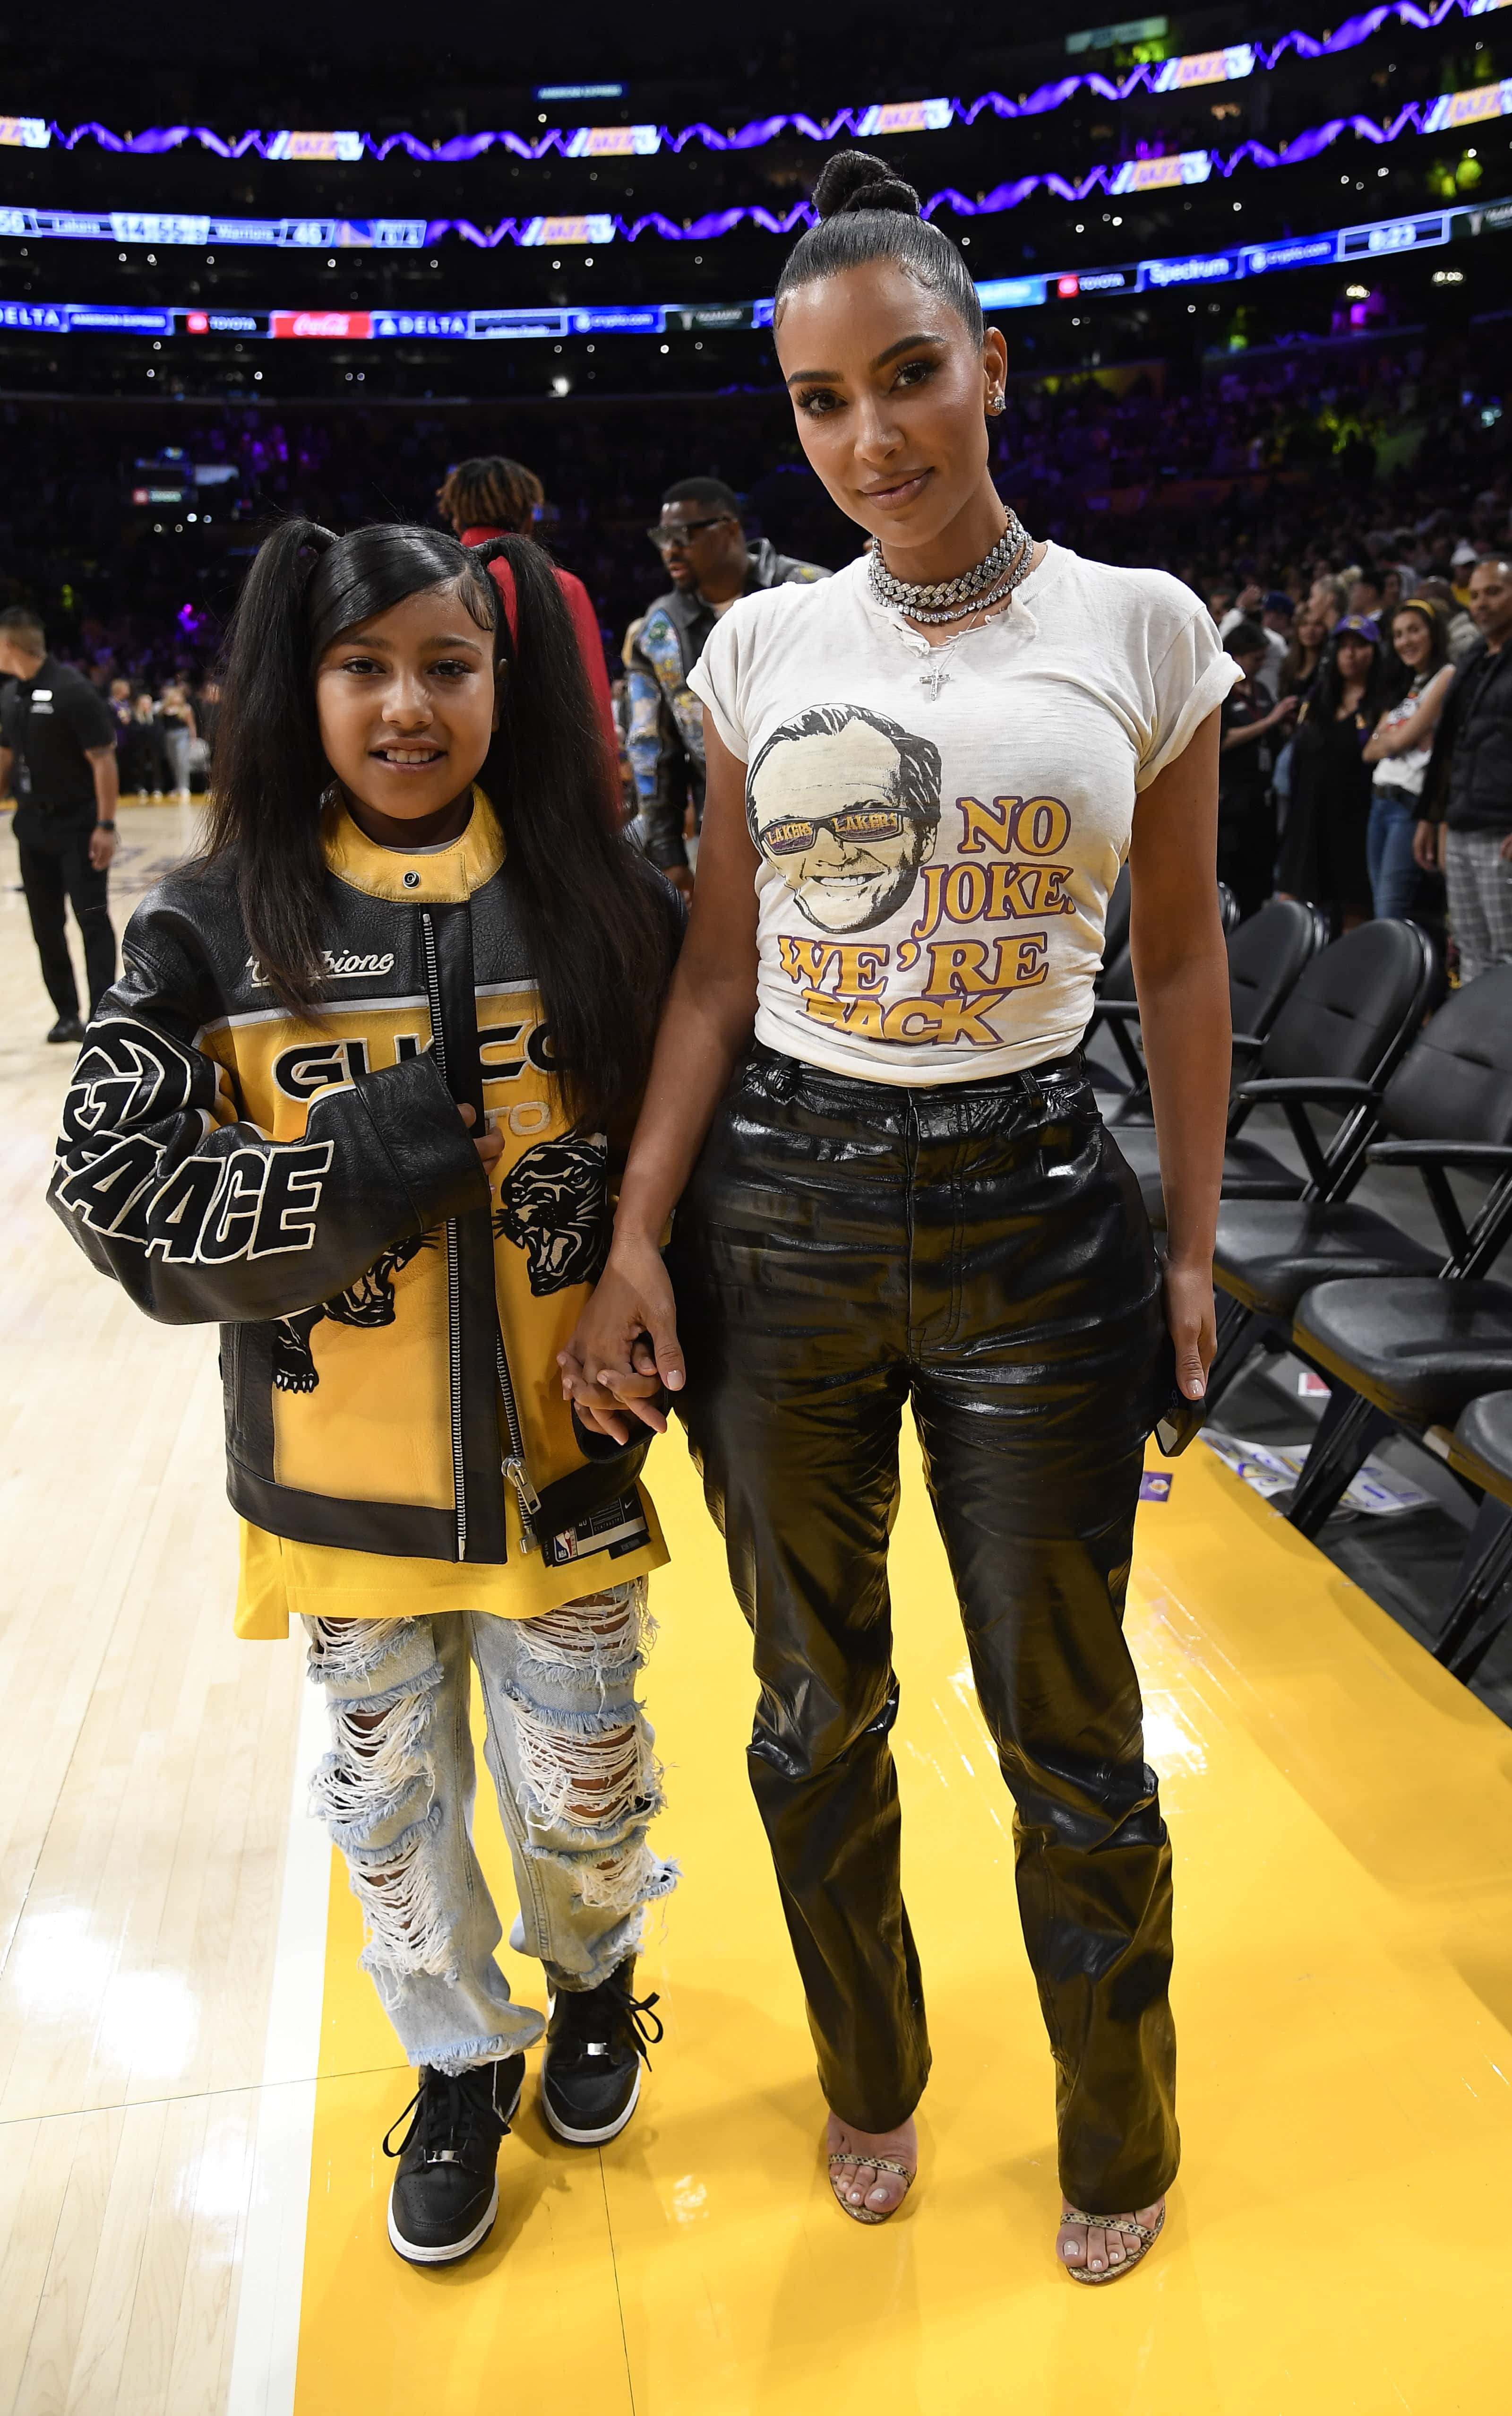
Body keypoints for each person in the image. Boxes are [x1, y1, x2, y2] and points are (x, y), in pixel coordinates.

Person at [560, 149, 1237, 2286]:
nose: (869, 437)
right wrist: (639, 1227)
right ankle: (872, 2071)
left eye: (907, 377)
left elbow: (1185, 957)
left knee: (1070, 1726)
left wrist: (1196, 1246)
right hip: (783, 1219)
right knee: (805, 1705)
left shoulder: (1138, 625)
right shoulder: (755, 641)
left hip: (1046, 1214)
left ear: (989, 368)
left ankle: (1111, 2117)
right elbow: (711, 971)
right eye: (819, 403)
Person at [48, 522, 683, 2267]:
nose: (407, 704)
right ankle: (459, 2058)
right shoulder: (203, 918)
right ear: (295, 686)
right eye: (361, 667)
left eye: (447, 665)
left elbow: (696, 1160)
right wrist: (359, 1164)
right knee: (388, 1816)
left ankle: (597, 1979)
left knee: (583, 1790)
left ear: (505, 681)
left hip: (570, 1471)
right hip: (342, 1498)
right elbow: (110, 1186)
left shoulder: (601, 899)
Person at [631, 477, 829, 893]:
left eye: (683, 534)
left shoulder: (814, 592)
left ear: (731, 528)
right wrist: (668, 855)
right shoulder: (660, 629)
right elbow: (654, 748)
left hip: (826, 815)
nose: (671, 549)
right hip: (724, 833)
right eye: (662, 537)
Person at [436, 454, 619, 802]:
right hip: (544, 796)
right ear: (525, 514)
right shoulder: (563, 587)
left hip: (450, 788)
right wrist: (606, 806)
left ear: (457, 514)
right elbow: (591, 705)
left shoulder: (430, 584)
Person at [0, 604, 119, 1042]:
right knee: (44, 926)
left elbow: (103, 760)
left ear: (9, 644)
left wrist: (106, 824)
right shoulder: (11, 694)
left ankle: (103, 1014)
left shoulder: (73, 690)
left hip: (79, 825)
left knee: (91, 920)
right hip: (32, 826)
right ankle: (66, 1013)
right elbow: (6, 755)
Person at [1415, 555, 1512, 979]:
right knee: (1472, 953)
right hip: (1461, 824)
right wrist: (1432, 816)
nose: (1482, 603)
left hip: (1502, 831)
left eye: (1494, 591)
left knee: (1509, 956)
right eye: (1475, 595)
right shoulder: (1473, 657)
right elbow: (1450, 746)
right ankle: (1476, 1047)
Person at [1276, 614, 1390, 931]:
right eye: (1344, 648)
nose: (1351, 655)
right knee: (1291, 910)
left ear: (1375, 652)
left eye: (1360, 647)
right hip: (1308, 816)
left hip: (1356, 820)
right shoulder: (1317, 700)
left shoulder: (1383, 704)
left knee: (1354, 912)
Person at [1362, 599, 1453, 920]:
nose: (1406, 641)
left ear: (1433, 633)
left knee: (1390, 911)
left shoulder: (1447, 675)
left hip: (1408, 806)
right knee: (1380, 907)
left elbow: (1394, 740)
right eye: (1399, 634)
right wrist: (1401, 738)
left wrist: (1394, 739)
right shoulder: (1405, 685)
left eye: (1414, 630)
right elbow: (1369, 751)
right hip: (1380, 802)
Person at [1218, 621, 1296, 918]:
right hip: (1230, 800)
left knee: (1258, 878)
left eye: (1264, 659)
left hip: (1261, 800)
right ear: (1236, 655)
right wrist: (1269, 721)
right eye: (1255, 659)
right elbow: (1221, 741)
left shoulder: (1261, 689)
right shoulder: (1221, 691)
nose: (1261, 665)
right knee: (1229, 876)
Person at [119, 690, 168, 800]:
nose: (147, 705)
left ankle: (157, 787)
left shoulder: (156, 716)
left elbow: (159, 731)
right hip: (140, 746)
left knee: (157, 767)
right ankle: (141, 787)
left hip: (154, 746)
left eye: (149, 703)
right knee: (140, 766)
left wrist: (147, 730)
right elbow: (134, 731)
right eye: (145, 703)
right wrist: (146, 730)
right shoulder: (136, 717)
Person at [158, 682, 198, 799]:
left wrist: (193, 738)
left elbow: (192, 725)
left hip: (182, 735)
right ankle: (177, 786)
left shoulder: (186, 709)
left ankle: (185, 787)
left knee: (182, 761)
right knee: (173, 762)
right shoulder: (165, 709)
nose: (178, 698)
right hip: (169, 736)